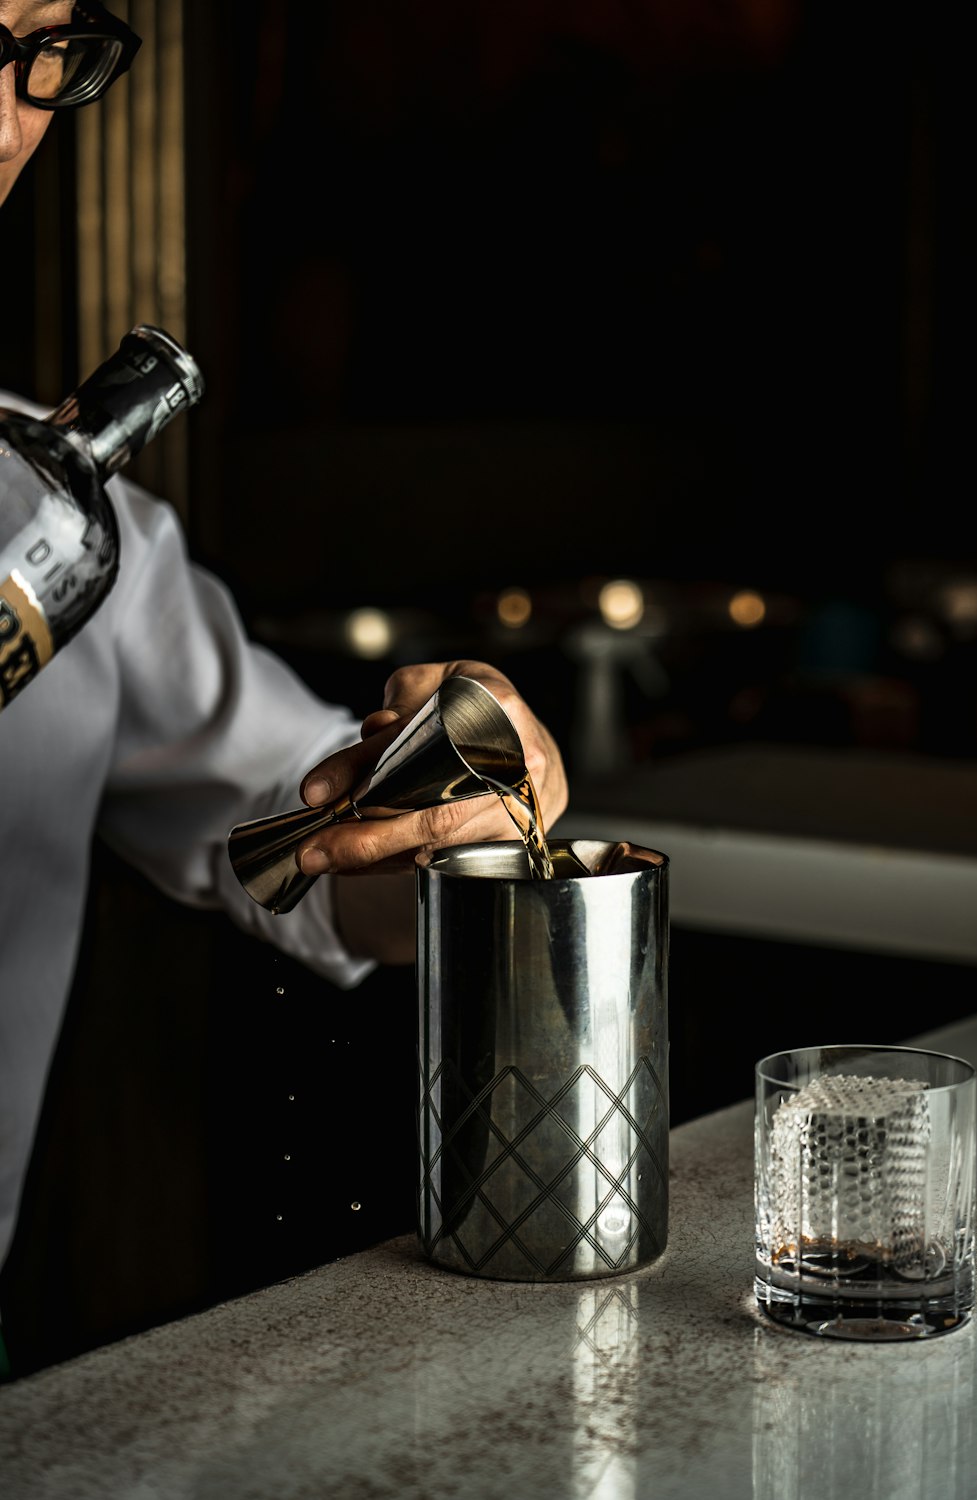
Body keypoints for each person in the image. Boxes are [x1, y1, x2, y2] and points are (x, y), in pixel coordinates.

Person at [0, 1, 568, 1376]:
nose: (3, 120)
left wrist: (451, 802)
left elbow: (297, 845)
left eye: (31, 52)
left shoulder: (59, 532)